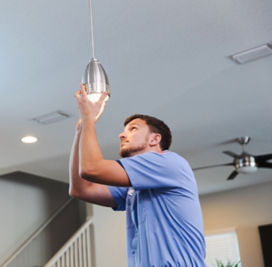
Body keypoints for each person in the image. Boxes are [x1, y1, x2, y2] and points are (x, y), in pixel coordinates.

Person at [69, 85, 206, 266]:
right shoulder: (135, 188)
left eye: (133, 129)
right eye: (125, 130)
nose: (122, 135)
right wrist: (81, 129)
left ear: (154, 139)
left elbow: (91, 169)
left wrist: (89, 119)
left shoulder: (169, 163)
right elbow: (81, 189)